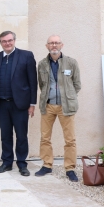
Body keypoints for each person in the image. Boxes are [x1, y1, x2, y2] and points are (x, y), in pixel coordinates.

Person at [0, 30, 37, 176]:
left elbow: (33, 81)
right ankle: (7, 162)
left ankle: (22, 164)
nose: (7, 43)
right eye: (4, 41)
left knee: (21, 135)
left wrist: (32, 104)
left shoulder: (26, 56)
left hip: (20, 104)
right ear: (0, 43)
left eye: (10, 40)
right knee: (5, 135)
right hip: (2, 104)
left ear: (14, 41)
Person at [35, 35, 82, 182]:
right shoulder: (42, 64)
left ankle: (70, 168)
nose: (54, 45)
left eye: (56, 43)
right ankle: (47, 165)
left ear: (62, 45)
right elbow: (42, 84)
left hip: (65, 106)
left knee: (70, 139)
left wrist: (68, 97)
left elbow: (77, 85)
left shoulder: (71, 63)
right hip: (48, 105)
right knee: (45, 138)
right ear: (47, 46)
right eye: (51, 43)